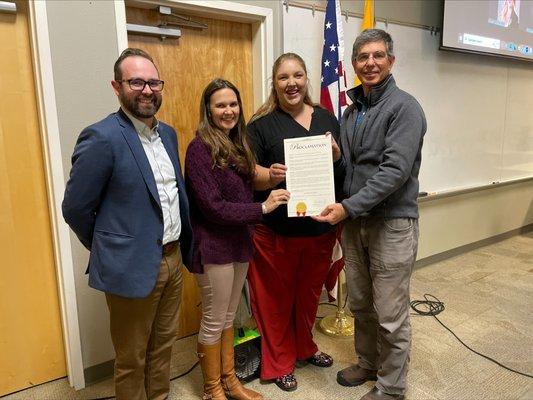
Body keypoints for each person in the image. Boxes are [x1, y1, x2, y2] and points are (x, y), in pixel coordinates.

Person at [62, 48, 192, 400]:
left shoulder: (168, 134)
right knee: (132, 358)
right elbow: (75, 208)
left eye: (153, 82)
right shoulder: (102, 137)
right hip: (130, 265)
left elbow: (170, 196)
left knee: (164, 346)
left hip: (173, 259)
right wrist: (113, 247)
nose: (147, 90)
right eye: (136, 82)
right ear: (117, 86)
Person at [314, 29, 427, 400]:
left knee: (391, 313)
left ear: (391, 61)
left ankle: (392, 388)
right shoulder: (350, 113)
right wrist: (334, 161)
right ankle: (368, 362)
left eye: (378, 56)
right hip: (355, 223)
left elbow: (394, 173)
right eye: (363, 57)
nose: (370, 63)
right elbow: (351, 168)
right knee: (360, 301)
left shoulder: (405, 108)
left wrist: (346, 207)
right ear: (354, 64)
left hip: (391, 224)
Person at [184, 78, 290, 400]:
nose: (229, 111)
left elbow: (249, 179)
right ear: (208, 110)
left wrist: (269, 177)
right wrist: (264, 207)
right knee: (214, 319)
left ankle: (230, 381)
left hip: (239, 243)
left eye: (233, 104)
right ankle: (212, 388)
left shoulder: (238, 141)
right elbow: (214, 208)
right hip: (213, 246)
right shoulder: (199, 148)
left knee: (230, 316)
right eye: (221, 105)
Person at [246, 53, 345, 392]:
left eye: (297, 75)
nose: (292, 83)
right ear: (274, 84)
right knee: (275, 302)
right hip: (277, 234)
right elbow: (249, 178)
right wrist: (269, 177)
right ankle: (278, 364)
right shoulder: (260, 126)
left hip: (319, 231)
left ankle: (305, 348)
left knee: (307, 298)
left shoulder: (328, 119)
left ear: (306, 79)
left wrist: (336, 157)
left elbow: (343, 176)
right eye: (283, 78)